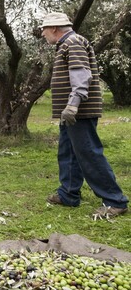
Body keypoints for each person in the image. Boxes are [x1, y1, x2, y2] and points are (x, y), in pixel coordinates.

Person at [40, 12, 128, 219]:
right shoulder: (65, 44)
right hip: (70, 112)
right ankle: (69, 194)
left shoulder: (73, 42)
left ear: (54, 28)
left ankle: (115, 200)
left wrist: (72, 106)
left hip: (78, 111)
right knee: (68, 152)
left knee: (89, 153)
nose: (43, 34)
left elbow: (81, 75)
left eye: (44, 30)